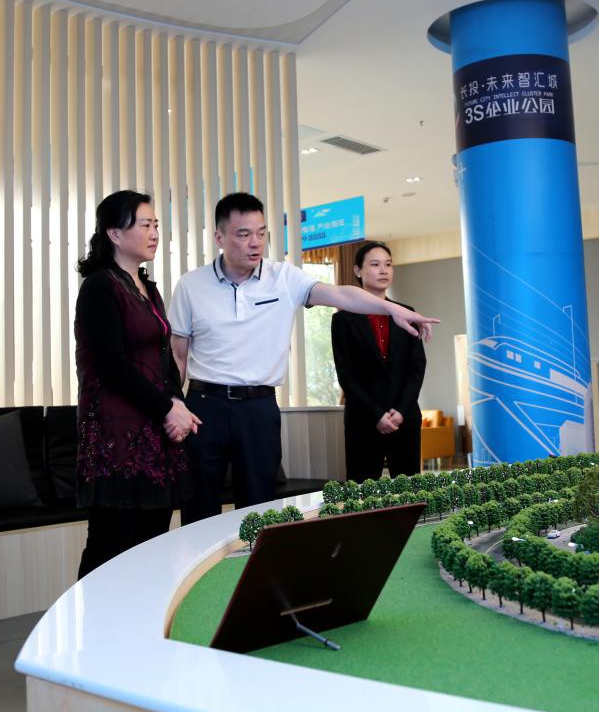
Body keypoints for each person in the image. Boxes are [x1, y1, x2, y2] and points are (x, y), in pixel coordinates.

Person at [168, 193, 438, 523]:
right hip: (203, 406)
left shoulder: (284, 277)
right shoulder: (191, 285)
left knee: (258, 508)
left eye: (261, 233)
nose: (255, 243)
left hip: (258, 407)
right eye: (244, 234)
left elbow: (340, 294)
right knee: (198, 505)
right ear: (219, 237)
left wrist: (390, 309)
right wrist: (174, 403)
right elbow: (177, 354)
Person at [73, 190, 199, 578]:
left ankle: (143, 617)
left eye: (156, 225)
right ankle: (94, 618)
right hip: (117, 435)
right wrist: (167, 409)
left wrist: (177, 403)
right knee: (111, 546)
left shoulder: (148, 287)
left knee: (153, 543)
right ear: (114, 233)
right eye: (145, 225)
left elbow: (164, 357)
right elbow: (113, 364)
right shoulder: (100, 286)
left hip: (153, 431)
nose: (154, 233)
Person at [331, 241, 426, 481]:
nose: (384, 270)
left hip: (404, 418)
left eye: (388, 264)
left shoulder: (407, 312)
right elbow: (346, 375)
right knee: (362, 492)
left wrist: (401, 410)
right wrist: (376, 415)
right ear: (358, 270)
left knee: (410, 491)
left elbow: (417, 368)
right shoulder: (343, 320)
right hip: (364, 420)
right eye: (375, 264)